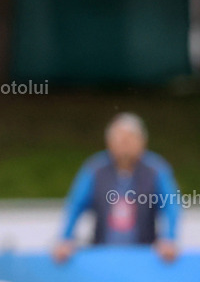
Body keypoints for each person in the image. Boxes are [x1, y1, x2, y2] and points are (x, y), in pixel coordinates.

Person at [53, 113, 180, 263]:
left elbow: (171, 205)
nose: (124, 144)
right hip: (102, 254)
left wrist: (169, 239)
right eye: (120, 139)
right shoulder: (95, 169)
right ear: (109, 142)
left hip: (144, 256)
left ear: (142, 141)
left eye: (129, 139)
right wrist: (65, 238)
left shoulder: (156, 170)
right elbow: (75, 205)